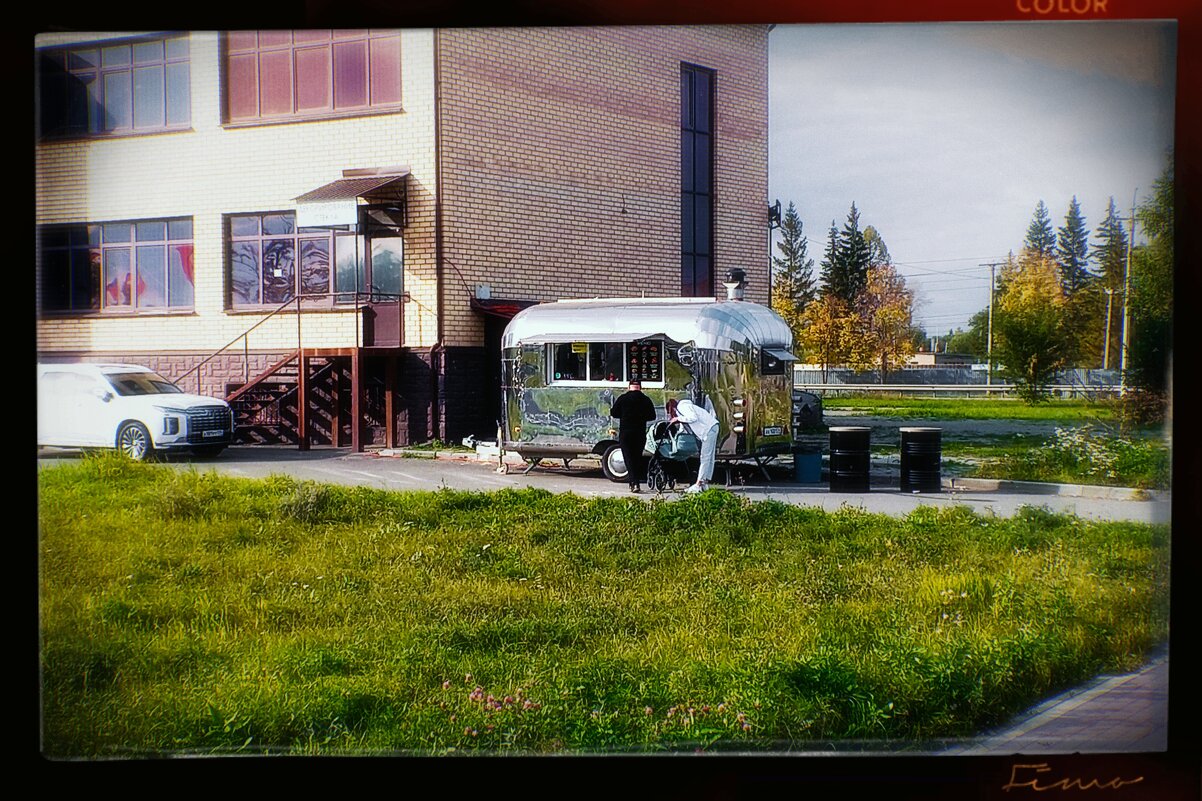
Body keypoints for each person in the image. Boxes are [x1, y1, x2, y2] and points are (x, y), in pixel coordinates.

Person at [610, 378, 657, 492]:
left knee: (628, 458)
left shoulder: (623, 398)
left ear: (629, 387)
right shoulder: (645, 400)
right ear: (640, 387)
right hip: (639, 432)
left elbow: (614, 413)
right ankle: (636, 481)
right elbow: (652, 416)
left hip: (626, 433)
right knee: (637, 457)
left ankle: (634, 483)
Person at [667, 397, 719, 494]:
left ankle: (699, 484)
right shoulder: (686, 406)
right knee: (710, 456)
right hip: (712, 426)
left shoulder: (683, 407)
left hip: (708, 429)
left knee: (705, 457)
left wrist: (677, 418)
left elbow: (692, 418)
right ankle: (705, 482)